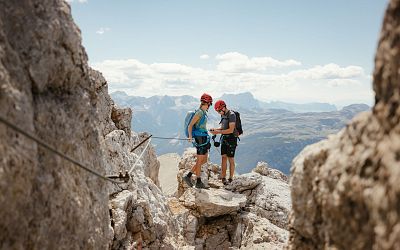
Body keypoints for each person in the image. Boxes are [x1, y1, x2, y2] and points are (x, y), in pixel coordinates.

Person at [183, 93, 213, 189]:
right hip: (200, 138)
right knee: (200, 160)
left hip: (204, 137)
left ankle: (188, 176)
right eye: (210, 104)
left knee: (203, 159)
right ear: (207, 103)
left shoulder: (203, 112)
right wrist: (190, 136)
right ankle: (198, 181)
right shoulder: (199, 112)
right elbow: (190, 125)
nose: (210, 106)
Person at [210, 100, 238, 185]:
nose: (219, 113)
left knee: (231, 159)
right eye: (217, 111)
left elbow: (230, 130)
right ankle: (223, 177)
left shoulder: (232, 115)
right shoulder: (223, 115)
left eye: (219, 110)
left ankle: (230, 178)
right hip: (225, 139)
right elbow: (223, 127)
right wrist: (215, 130)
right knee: (223, 158)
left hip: (232, 139)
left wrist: (217, 132)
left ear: (224, 107)